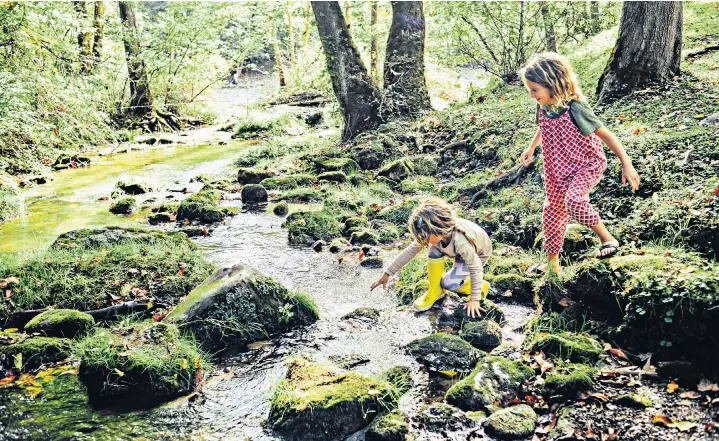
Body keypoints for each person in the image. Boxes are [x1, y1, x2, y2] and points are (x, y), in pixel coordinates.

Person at [518, 52, 640, 275]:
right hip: (556, 170)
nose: (531, 95)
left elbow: (607, 135)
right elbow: (542, 127)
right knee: (552, 211)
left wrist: (626, 163)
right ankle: (552, 263)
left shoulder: (576, 108)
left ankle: (607, 238)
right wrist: (532, 147)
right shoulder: (544, 105)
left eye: (534, 89)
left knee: (574, 201)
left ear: (552, 83)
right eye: (530, 90)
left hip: (586, 165)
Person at [370, 198, 492, 318]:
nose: (422, 240)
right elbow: (409, 252)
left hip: (478, 253)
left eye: (424, 236)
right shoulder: (435, 235)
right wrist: (387, 273)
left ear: (437, 229)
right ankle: (435, 291)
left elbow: (475, 267)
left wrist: (474, 299)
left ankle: (481, 286)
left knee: (449, 284)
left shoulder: (461, 242)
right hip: (457, 250)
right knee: (433, 249)